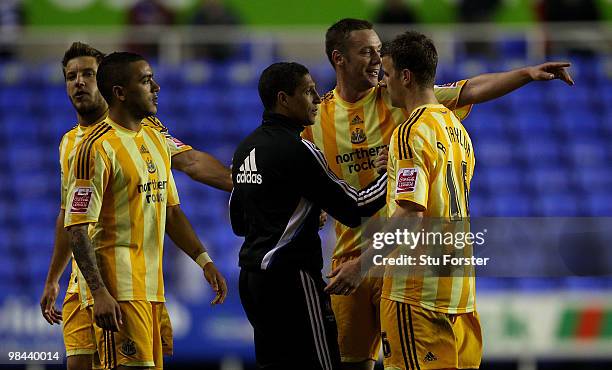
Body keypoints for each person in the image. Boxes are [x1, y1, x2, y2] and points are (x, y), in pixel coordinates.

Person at [301, 18, 573, 370]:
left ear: (404, 76)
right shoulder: (316, 118)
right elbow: (300, 176)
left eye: (380, 53)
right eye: (366, 52)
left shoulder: (402, 111)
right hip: (353, 255)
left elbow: (471, 89)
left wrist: (524, 74)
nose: (375, 60)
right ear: (339, 58)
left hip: (399, 265)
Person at [39, 42, 232, 370]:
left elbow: (182, 179)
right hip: (96, 284)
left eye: (88, 73)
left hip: (145, 285)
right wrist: (54, 277)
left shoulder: (153, 133)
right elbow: (69, 218)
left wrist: (251, 188)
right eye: (71, 76)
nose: (80, 82)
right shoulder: (76, 145)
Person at [327, 30, 481, 370]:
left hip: (417, 294)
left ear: (405, 77)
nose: (383, 82)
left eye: (387, 73)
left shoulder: (409, 131)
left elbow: (410, 216)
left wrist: (361, 263)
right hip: (459, 291)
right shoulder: (456, 129)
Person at [229, 62, 387, 370]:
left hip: (251, 280)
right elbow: (354, 208)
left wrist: (296, 212)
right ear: (283, 99)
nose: (317, 99)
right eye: (308, 91)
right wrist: (390, 174)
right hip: (293, 279)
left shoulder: (246, 147)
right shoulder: (299, 148)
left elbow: (238, 221)